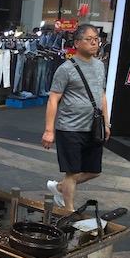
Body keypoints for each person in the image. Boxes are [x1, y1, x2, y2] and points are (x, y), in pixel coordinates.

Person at [42, 24, 110, 210]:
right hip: (70, 128)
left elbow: (101, 95)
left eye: (96, 39)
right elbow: (53, 99)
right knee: (72, 172)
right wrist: (49, 130)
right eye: (89, 39)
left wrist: (106, 122)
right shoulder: (66, 69)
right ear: (77, 42)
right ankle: (68, 210)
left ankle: (60, 188)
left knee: (94, 171)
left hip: (93, 127)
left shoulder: (99, 66)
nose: (94, 42)